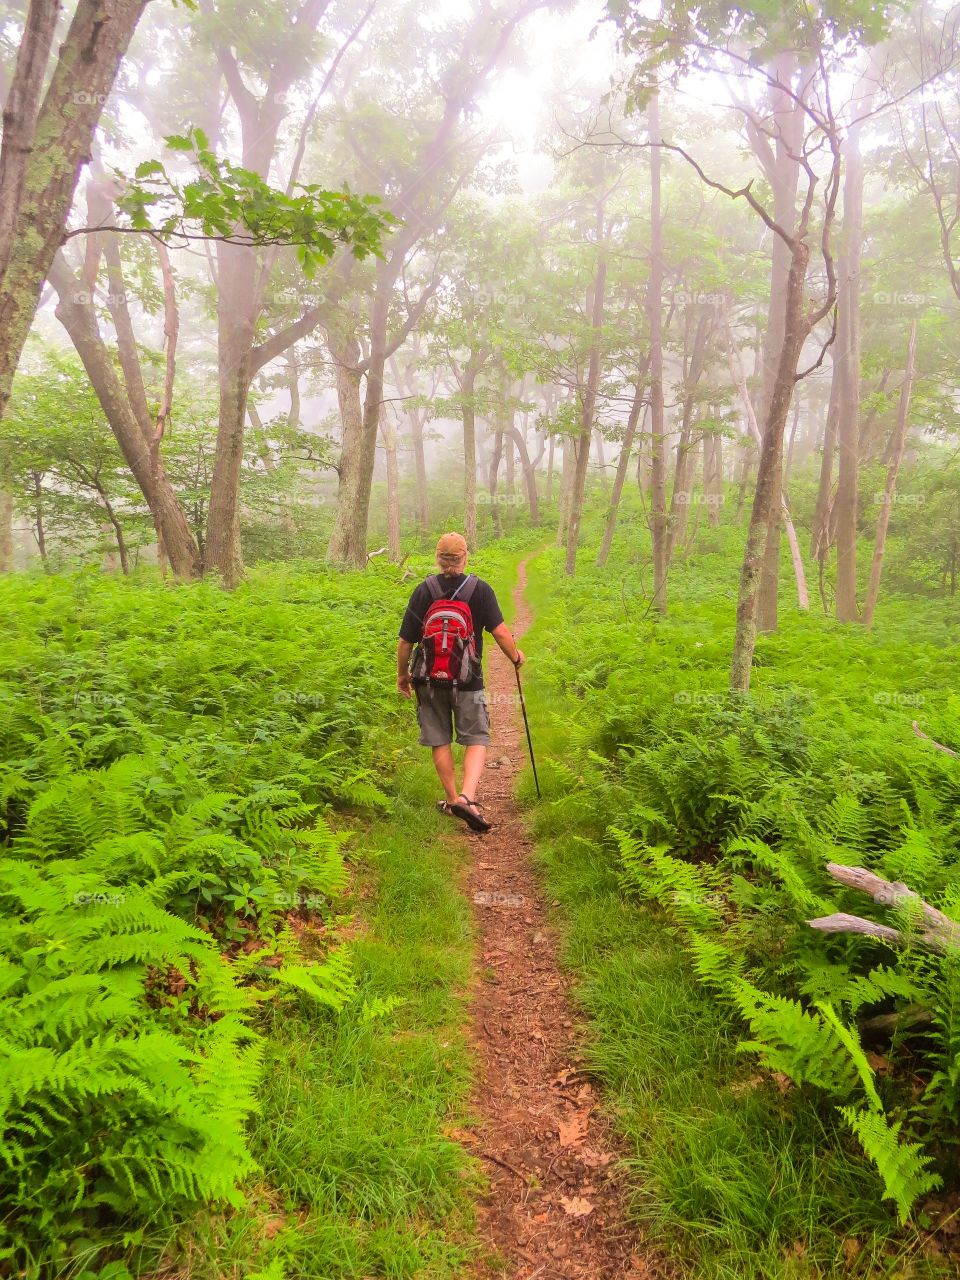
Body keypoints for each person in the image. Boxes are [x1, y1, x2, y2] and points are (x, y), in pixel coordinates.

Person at [397, 532, 525, 832]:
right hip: (468, 680)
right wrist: (516, 658)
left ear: (437, 558)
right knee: (476, 737)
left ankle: (452, 798)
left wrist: (403, 676)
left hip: (427, 680)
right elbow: (501, 633)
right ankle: (467, 796)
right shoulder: (479, 590)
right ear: (465, 557)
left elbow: (405, 641)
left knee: (439, 738)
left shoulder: (423, 590)